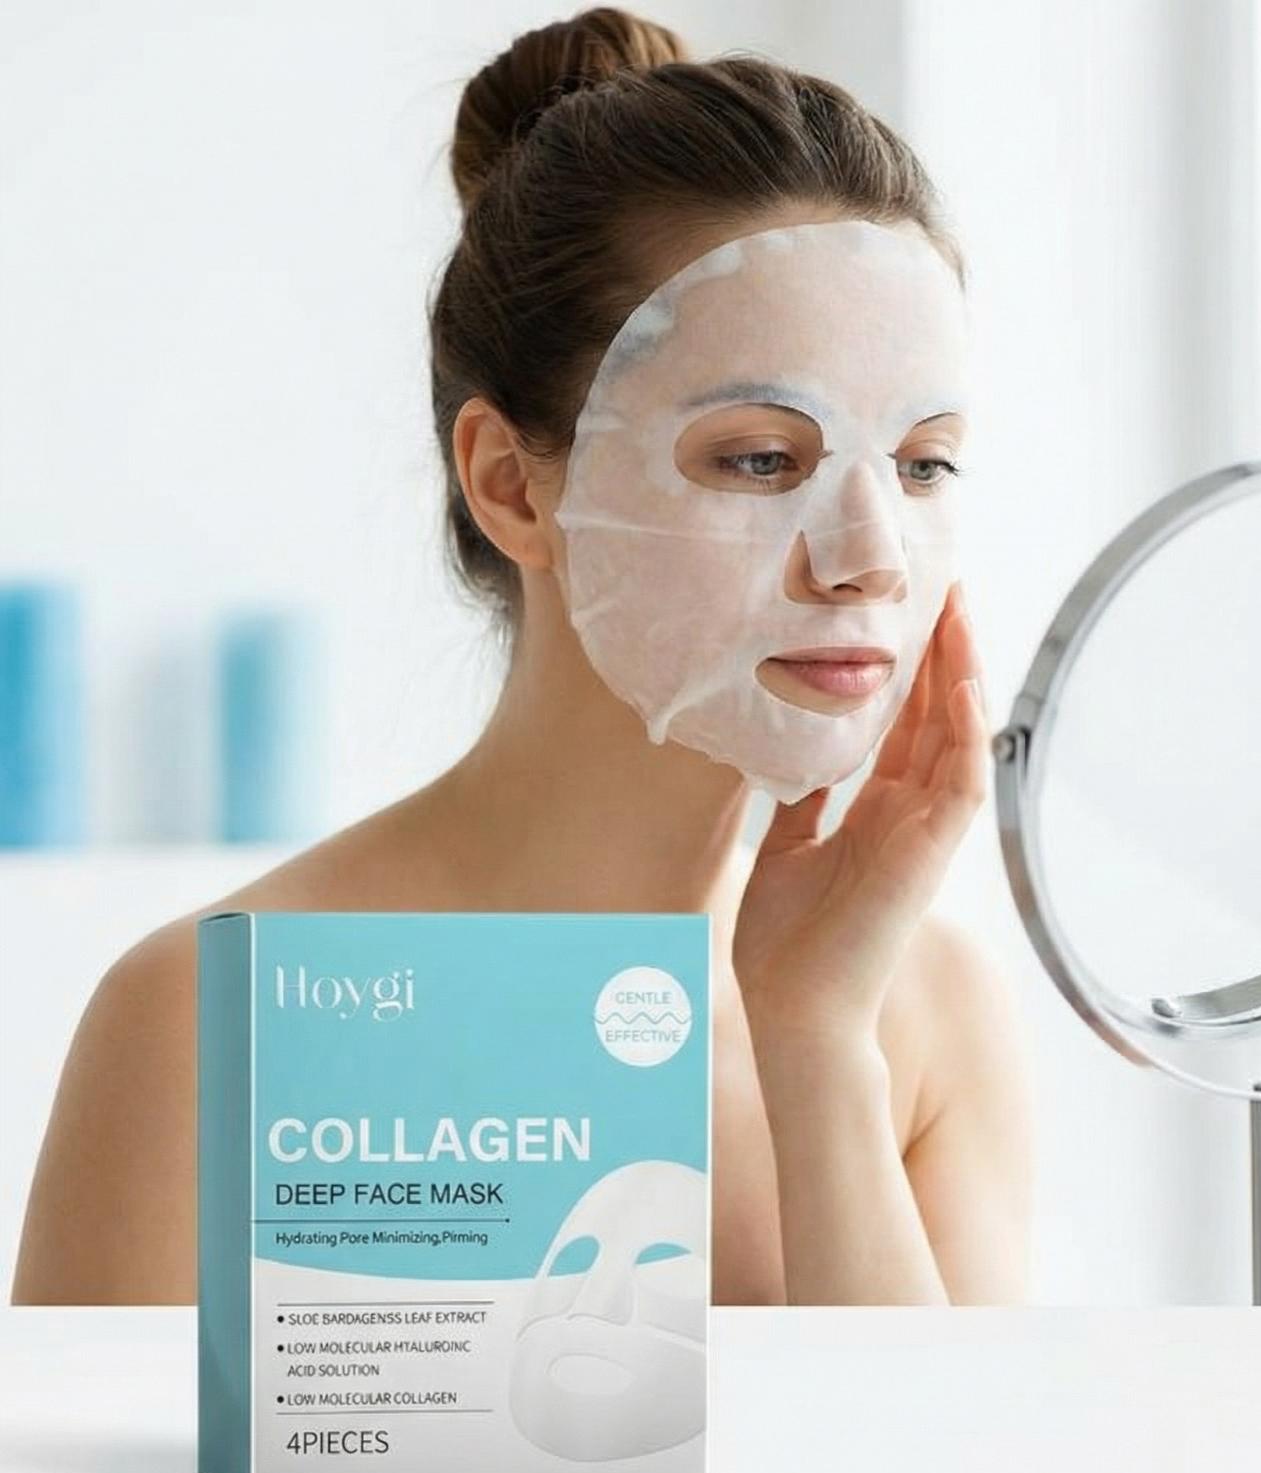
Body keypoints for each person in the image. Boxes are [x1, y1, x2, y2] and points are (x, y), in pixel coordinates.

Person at [12, 6, 1034, 1308]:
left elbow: (936, 1454)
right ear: (511, 485)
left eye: (924, 465)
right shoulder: (223, 1026)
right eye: (759, 458)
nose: (869, 557)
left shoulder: (922, 1015)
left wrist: (819, 1041)